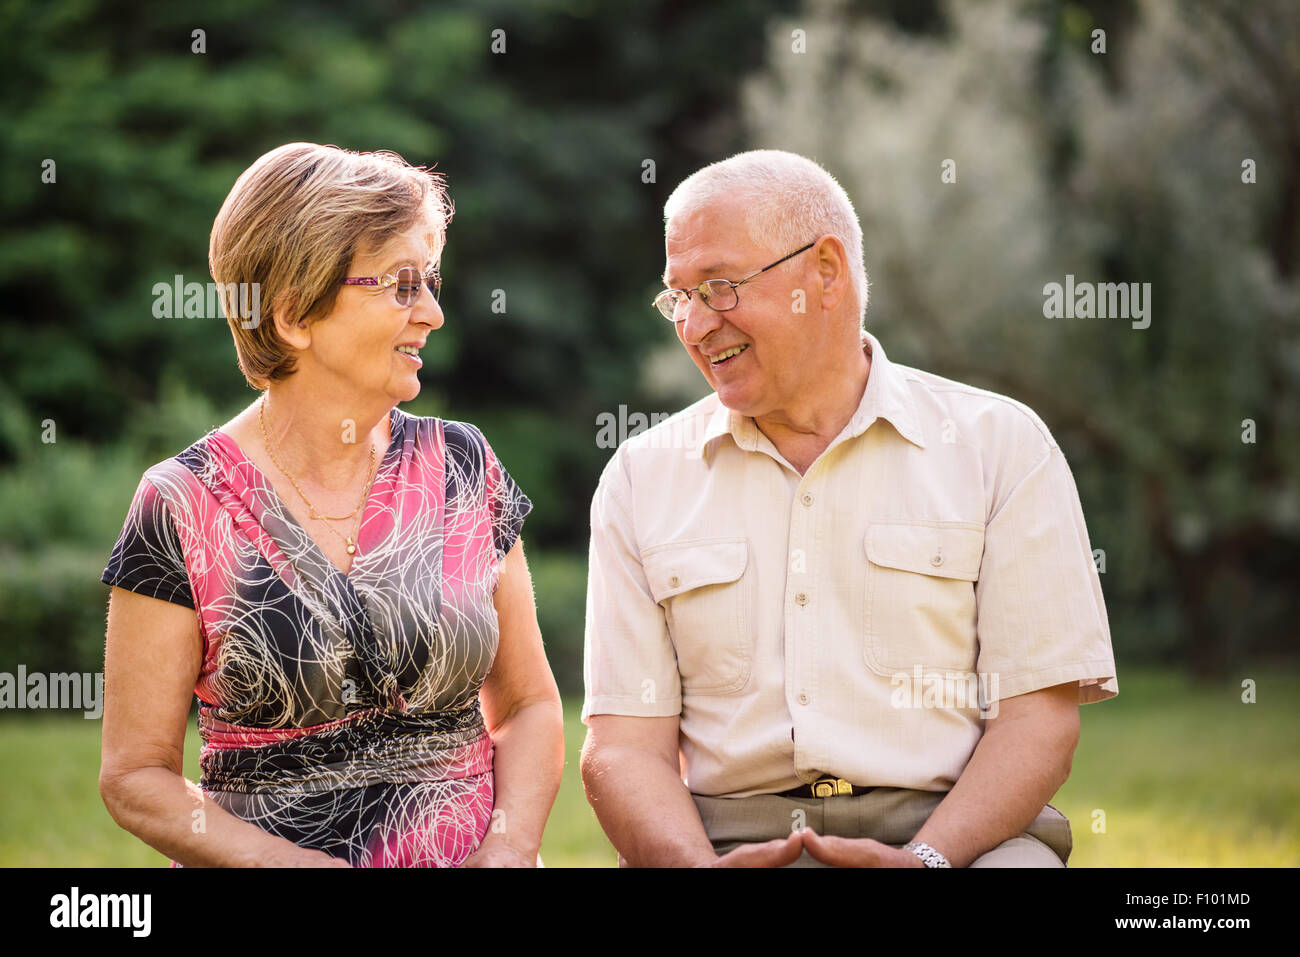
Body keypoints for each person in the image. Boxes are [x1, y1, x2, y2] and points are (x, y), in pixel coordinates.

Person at [579, 150, 1118, 868]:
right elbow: (622, 750)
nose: (695, 324)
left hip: (962, 838)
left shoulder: (1001, 446)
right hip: (722, 843)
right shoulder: (640, 478)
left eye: (719, 286)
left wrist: (928, 859)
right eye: (679, 296)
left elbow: (1038, 723)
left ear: (825, 273)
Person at [98, 142, 564, 867]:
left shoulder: (465, 465)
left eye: (431, 282)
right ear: (293, 314)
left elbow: (531, 704)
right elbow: (134, 777)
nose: (433, 314)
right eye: (403, 286)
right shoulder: (180, 503)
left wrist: (507, 849)